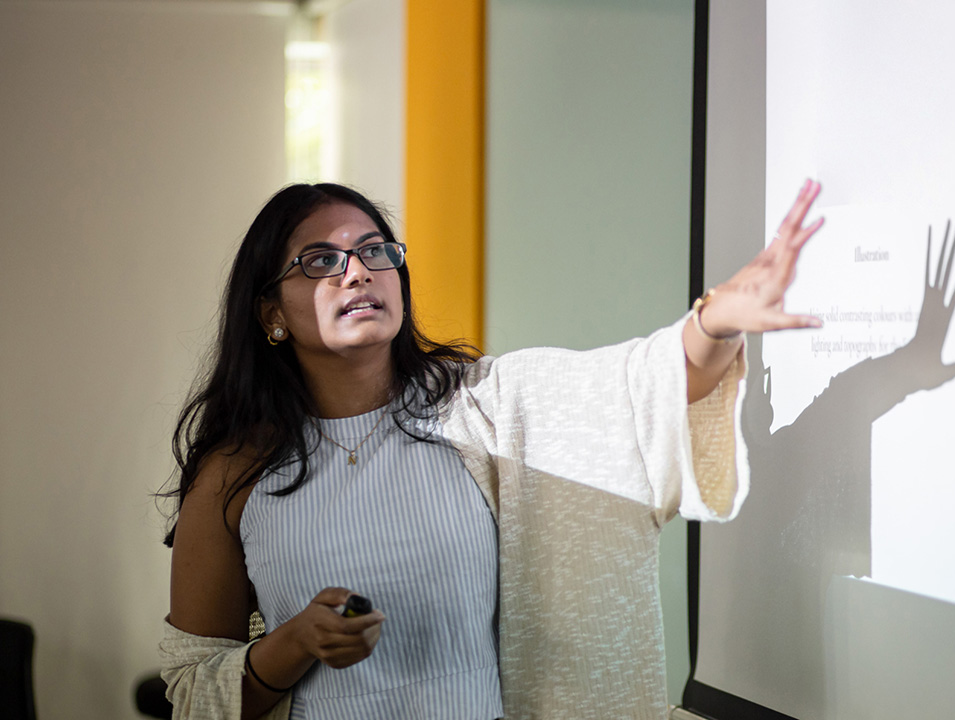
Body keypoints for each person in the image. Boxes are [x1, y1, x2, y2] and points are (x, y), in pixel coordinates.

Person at [159, 179, 825, 719]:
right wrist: (293, 643)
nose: (358, 271)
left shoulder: (487, 407)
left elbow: (641, 385)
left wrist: (716, 321)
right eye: (322, 261)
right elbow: (192, 689)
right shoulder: (233, 474)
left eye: (374, 250)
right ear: (271, 313)